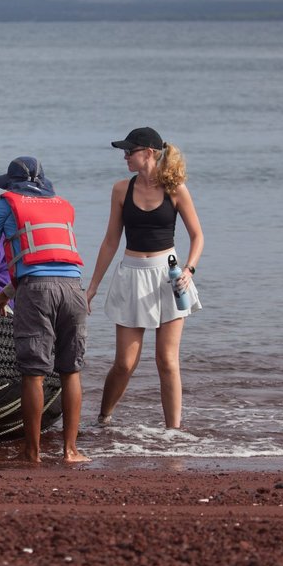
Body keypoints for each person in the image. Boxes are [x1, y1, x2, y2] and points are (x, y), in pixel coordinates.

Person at [0, 156, 90, 465]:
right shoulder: (62, 205)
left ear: (11, 185)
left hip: (36, 292)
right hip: (75, 290)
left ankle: (31, 452)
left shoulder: (5, 206)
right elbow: (51, 260)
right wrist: (6, 294)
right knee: (70, 370)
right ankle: (71, 451)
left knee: (34, 373)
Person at [85, 127, 204, 429]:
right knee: (125, 363)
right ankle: (103, 418)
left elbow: (197, 235)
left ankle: (173, 433)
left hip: (170, 277)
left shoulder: (176, 189)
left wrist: (189, 270)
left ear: (148, 153)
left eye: (130, 151)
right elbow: (111, 240)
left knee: (167, 361)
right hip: (132, 276)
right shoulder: (121, 189)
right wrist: (93, 286)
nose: (124, 156)